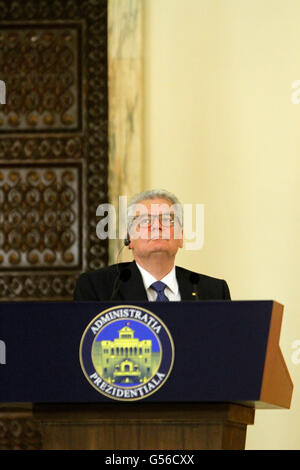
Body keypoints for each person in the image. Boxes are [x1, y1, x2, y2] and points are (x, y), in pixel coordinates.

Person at [73, 189, 231, 301]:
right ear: (129, 239)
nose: (157, 226)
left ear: (181, 237)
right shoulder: (98, 288)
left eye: (167, 220)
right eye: (145, 221)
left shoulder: (213, 291)